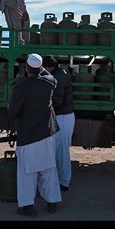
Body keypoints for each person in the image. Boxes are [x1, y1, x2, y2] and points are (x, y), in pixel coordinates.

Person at [8, 53, 62, 217]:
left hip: (29, 134)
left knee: (27, 171)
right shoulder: (51, 82)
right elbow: (45, 74)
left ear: (26, 69)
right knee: (48, 169)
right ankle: (52, 202)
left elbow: (13, 111)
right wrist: (39, 69)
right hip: (47, 132)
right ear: (40, 68)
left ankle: (28, 206)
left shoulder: (21, 88)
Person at [42, 55, 75, 191]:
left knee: (61, 151)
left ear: (49, 67)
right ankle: (59, 180)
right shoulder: (57, 75)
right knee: (58, 151)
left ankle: (63, 182)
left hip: (63, 117)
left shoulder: (58, 78)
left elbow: (57, 101)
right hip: (61, 116)